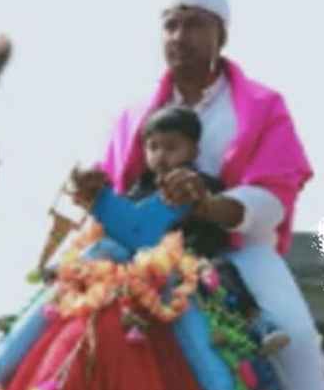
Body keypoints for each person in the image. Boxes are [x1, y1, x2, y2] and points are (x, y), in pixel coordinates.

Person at [72, 0, 324, 390]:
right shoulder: (134, 113)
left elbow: (275, 192)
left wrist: (208, 206)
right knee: (56, 316)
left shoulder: (261, 106)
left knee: (299, 344)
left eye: (194, 24)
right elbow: (114, 192)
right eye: (170, 24)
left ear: (221, 36)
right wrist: (91, 191)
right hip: (140, 254)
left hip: (235, 250)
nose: (179, 35)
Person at [76, 104, 291, 358]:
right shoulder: (139, 188)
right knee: (100, 250)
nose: (160, 155)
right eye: (153, 147)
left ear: (193, 150)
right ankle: (69, 281)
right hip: (141, 264)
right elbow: (122, 222)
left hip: (191, 259)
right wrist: (96, 197)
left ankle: (259, 323)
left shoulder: (202, 186)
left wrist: (201, 211)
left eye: (170, 147)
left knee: (223, 269)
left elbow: (216, 225)